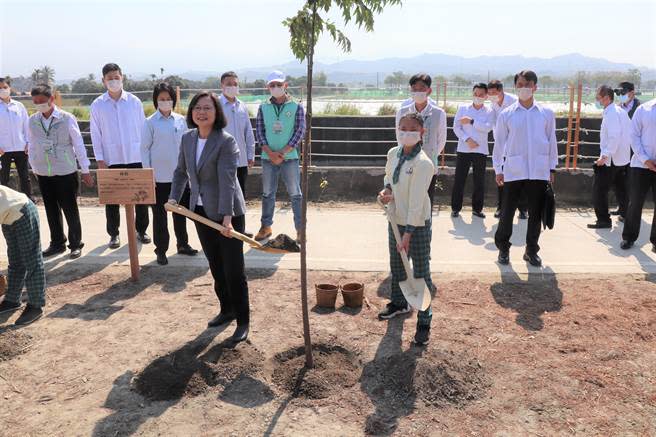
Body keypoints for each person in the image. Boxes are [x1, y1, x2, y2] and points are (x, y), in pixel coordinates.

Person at [168, 91, 249, 343]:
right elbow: (181, 171)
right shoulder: (187, 139)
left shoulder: (226, 141)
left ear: (217, 114)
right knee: (215, 265)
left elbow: (227, 181)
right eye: (197, 108)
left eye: (207, 108)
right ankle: (226, 310)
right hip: (200, 211)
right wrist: (173, 198)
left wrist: (227, 217)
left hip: (228, 213)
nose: (202, 112)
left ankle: (243, 321)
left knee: (234, 269)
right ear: (191, 112)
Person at [378, 112, 435, 345]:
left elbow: (416, 201)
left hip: (417, 224)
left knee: (420, 271)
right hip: (395, 219)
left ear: (422, 132)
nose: (406, 132)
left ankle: (424, 320)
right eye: (403, 128)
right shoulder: (393, 153)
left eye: (412, 128)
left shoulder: (423, 164)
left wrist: (409, 233)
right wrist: (386, 191)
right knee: (397, 265)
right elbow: (388, 178)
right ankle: (399, 303)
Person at [493, 70, 558, 267]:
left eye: (527, 85)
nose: (524, 88)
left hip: (538, 171)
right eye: (520, 84)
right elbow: (499, 143)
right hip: (513, 170)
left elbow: (552, 141)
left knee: (535, 214)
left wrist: (552, 168)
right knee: (507, 212)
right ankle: (503, 249)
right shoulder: (507, 114)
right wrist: (498, 169)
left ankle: (531, 250)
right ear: (515, 87)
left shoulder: (546, 114)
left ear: (535, 87)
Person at [27, 84, 94, 259]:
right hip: (44, 172)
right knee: (51, 209)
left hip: (65, 171)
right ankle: (57, 243)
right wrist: (34, 167)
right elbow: (32, 145)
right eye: (36, 102)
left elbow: (78, 144)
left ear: (52, 99)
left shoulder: (66, 118)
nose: (39, 105)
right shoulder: (32, 120)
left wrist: (85, 169)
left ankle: (75, 244)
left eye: (42, 101)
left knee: (70, 209)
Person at [90, 63, 150, 249]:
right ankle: (114, 234)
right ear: (103, 81)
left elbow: (143, 130)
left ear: (122, 77)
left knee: (141, 196)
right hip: (111, 159)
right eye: (110, 78)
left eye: (116, 77)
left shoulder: (134, 102)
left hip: (135, 156)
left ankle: (141, 230)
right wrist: (100, 159)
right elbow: (95, 133)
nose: (114, 81)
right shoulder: (98, 105)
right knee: (112, 198)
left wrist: (145, 157)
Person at [141, 82, 198, 265]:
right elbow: (144, 149)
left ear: (174, 100)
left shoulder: (181, 120)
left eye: (168, 99)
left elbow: (190, 146)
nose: (165, 102)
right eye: (161, 99)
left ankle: (183, 244)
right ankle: (161, 250)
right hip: (158, 179)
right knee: (160, 216)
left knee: (180, 212)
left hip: (180, 178)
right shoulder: (150, 122)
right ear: (156, 101)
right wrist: (148, 175)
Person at [254, 71, 306, 243]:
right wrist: (270, 152)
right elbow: (260, 132)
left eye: (278, 84)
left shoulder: (296, 106)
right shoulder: (263, 107)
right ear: (268, 87)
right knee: (268, 193)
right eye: (272, 85)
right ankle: (266, 226)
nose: (275, 88)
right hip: (268, 158)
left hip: (289, 157)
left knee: (295, 194)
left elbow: (300, 131)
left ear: (286, 85)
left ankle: (300, 230)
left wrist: (283, 152)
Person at [395, 73, 447, 207]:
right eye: (414, 88)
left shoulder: (439, 113)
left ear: (429, 90)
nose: (418, 91)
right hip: (407, 161)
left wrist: (431, 155)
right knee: (407, 198)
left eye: (422, 88)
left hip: (429, 161)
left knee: (427, 199)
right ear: (411, 90)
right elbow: (399, 136)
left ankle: (425, 227)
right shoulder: (402, 112)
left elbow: (441, 140)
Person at [0, 185, 45, 326]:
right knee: (15, 260)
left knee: (31, 259)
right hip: (7, 216)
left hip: (22, 210)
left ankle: (36, 306)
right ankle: (12, 300)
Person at [587, 85, 631, 229]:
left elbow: (614, 136)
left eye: (598, 97)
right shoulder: (620, 111)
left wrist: (604, 156)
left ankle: (604, 220)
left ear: (606, 98)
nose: (597, 100)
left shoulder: (612, 113)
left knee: (599, 190)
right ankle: (626, 213)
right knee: (620, 188)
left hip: (611, 159)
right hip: (622, 158)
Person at [219, 71, 256, 234]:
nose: (232, 87)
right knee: (224, 195)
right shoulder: (216, 106)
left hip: (240, 160)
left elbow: (248, 132)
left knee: (240, 195)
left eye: (235, 84)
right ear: (222, 86)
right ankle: (224, 227)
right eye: (229, 84)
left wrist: (250, 154)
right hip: (222, 161)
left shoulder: (242, 106)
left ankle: (240, 228)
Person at [451, 83, 494, 218]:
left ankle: (477, 209)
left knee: (479, 180)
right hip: (464, 148)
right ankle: (456, 208)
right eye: (476, 94)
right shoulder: (463, 108)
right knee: (459, 179)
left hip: (480, 150)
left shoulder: (490, 111)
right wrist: (467, 139)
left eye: (481, 95)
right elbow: (456, 127)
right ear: (472, 94)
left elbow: (488, 128)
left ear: (486, 96)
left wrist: (471, 121)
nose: (478, 97)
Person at [620, 97, 656, 251]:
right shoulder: (644, 109)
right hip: (640, 166)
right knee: (635, 203)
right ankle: (629, 237)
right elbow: (633, 136)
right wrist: (646, 159)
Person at [488, 80, 527, 220]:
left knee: (520, 176)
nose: (491, 96)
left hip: (516, 145)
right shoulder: (493, 104)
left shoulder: (514, 101)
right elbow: (492, 123)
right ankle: (501, 207)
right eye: (489, 93)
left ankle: (523, 209)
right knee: (501, 176)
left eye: (494, 93)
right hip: (501, 145)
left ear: (501, 91)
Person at [0, 77, 32, 199]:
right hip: (3, 149)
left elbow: (26, 126)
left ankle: (28, 201)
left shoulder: (19, 106)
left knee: (25, 177)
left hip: (21, 147)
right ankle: (4, 203)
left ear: (10, 88)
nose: (2, 90)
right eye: (0, 88)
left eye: (5, 87)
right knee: (4, 178)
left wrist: (28, 142)